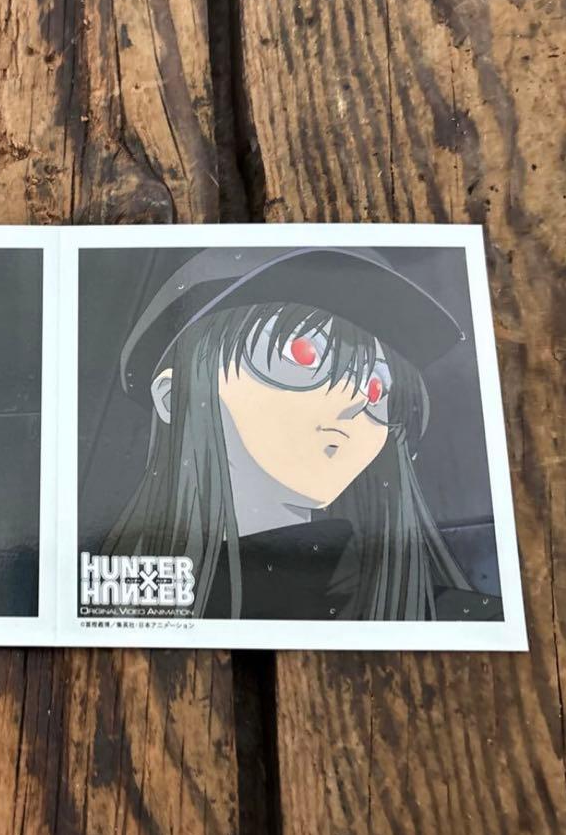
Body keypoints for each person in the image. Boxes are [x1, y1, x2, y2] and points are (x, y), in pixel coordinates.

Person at [99, 246, 502, 621]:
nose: (355, 401)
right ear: (175, 396)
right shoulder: (118, 601)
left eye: (376, 387)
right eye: (304, 356)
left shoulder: (455, 617)